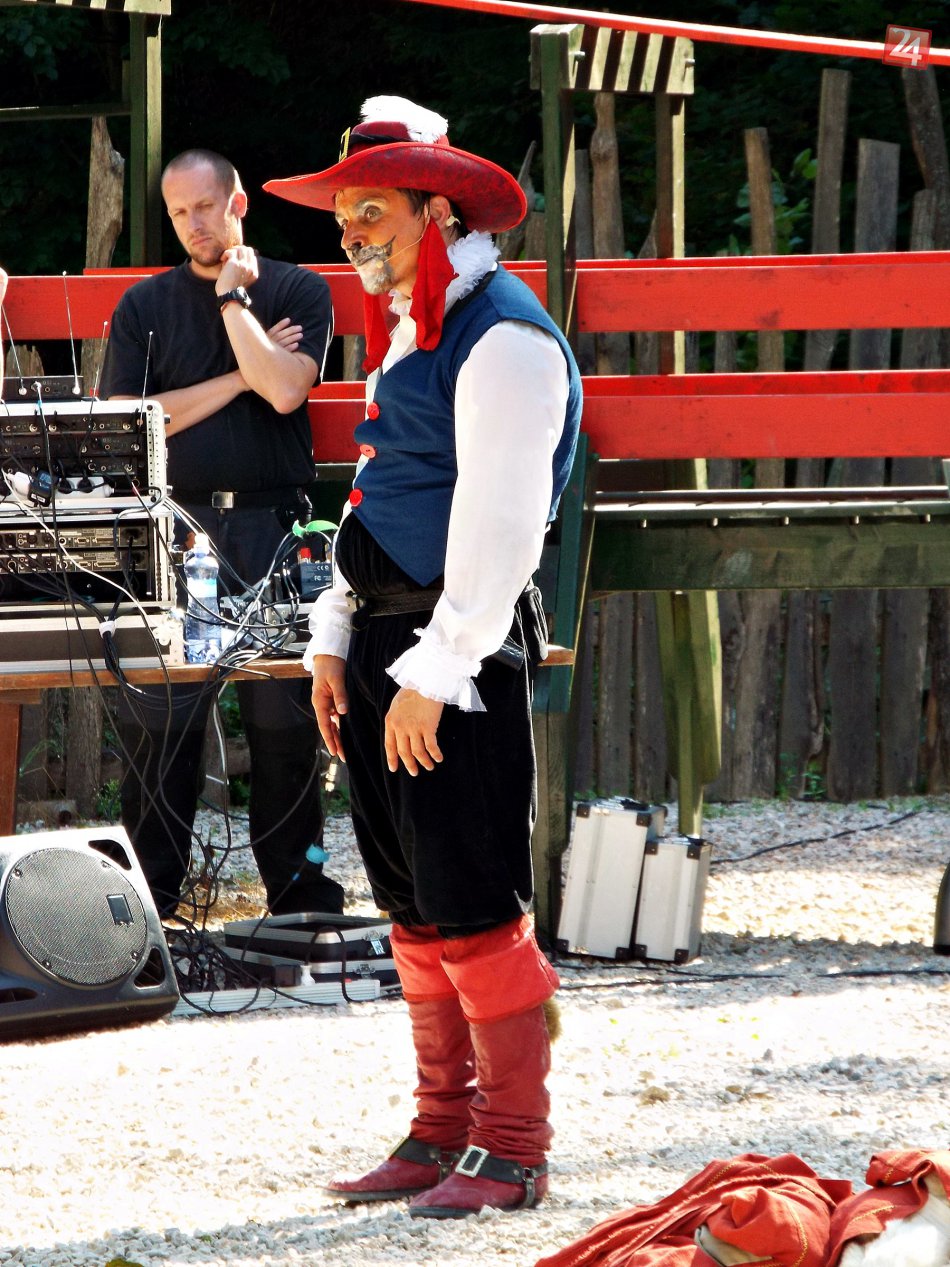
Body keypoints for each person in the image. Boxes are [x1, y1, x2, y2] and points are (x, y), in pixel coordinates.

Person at [265, 97, 582, 1218]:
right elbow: (376, 489)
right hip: (385, 644)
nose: (352, 234)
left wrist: (434, 673)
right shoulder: (417, 325)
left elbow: (502, 526)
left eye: (372, 212)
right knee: (411, 900)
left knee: (472, 894)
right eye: (344, 215)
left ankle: (512, 1146)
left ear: (437, 212)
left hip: (455, 653)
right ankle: (441, 1127)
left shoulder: (504, 336)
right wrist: (334, 638)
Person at [101, 149, 345, 920]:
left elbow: (285, 389)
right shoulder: (145, 305)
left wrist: (235, 303)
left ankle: (299, 901)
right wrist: (242, 374)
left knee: (284, 723)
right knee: (163, 723)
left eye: (204, 206)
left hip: (273, 527)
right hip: (178, 529)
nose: (193, 224)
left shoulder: (297, 288)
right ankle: (151, 905)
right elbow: (131, 423)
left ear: (237, 202)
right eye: (179, 212)